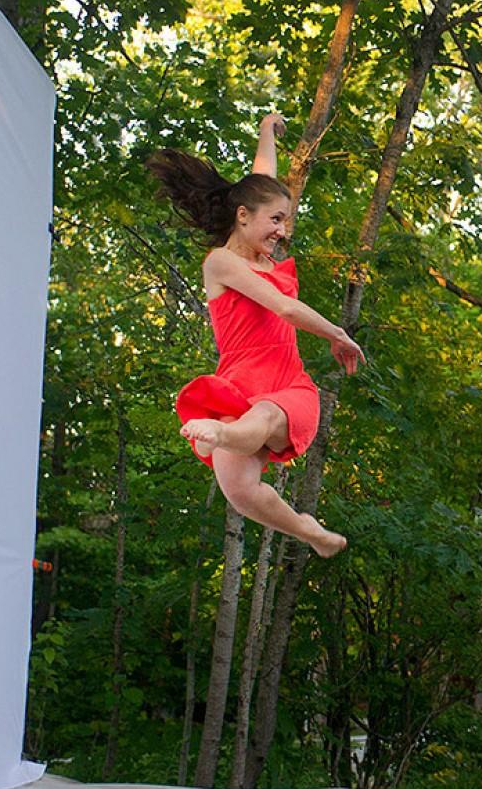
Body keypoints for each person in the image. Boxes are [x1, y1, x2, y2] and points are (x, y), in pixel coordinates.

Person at [145, 112, 362, 558]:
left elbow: (263, 177)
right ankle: (310, 532)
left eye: (286, 220)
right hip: (239, 384)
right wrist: (337, 333)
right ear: (242, 217)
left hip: (288, 387)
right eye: (277, 220)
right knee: (240, 492)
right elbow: (283, 306)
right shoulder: (222, 263)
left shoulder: (257, 233)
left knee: (259, 420)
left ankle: (221, 436)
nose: (283, 231)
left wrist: (266, 130)